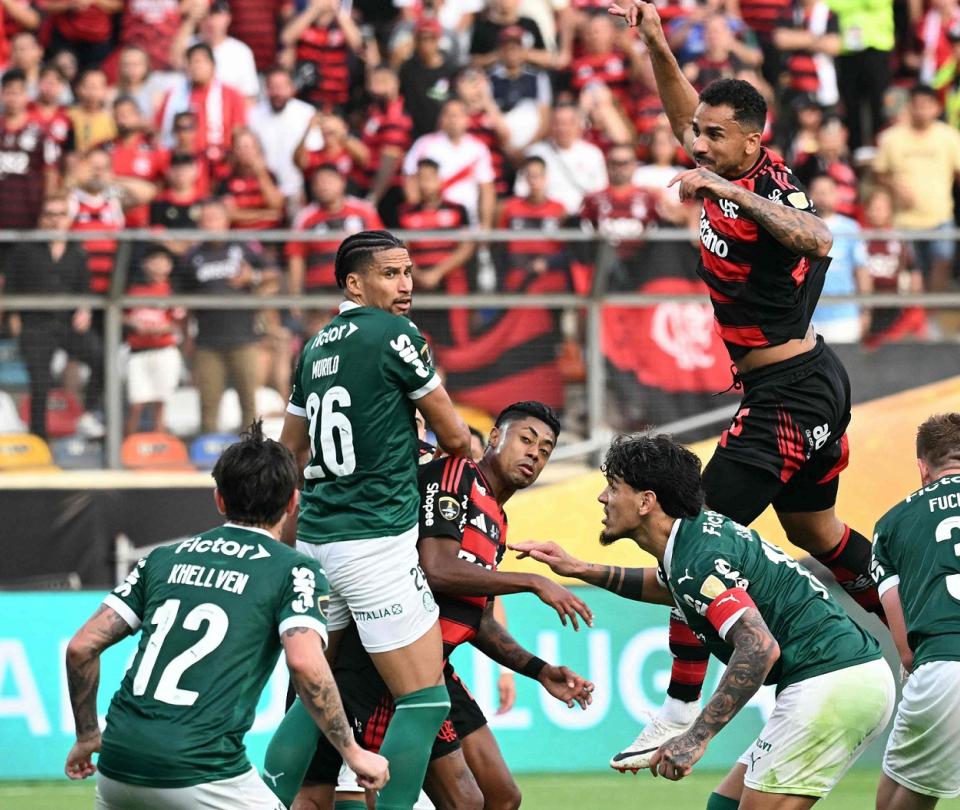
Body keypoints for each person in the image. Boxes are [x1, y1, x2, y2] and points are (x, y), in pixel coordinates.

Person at [607, 0, 885, 771]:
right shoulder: (715, 156)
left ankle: (675, 708)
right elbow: (681, 111)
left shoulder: (770, 186)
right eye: (699, 132)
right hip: (801, 384)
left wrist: (733, 196)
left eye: (714, 135)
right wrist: (658, 43)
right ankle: (914, 622)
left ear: (753, 143)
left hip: (789, 393)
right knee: (815, 535)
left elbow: (817, 236)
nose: (697, 142)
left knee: (693, 533)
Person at [514, 433, 894, 809]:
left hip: (831, 683)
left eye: (613, 487)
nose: (603, 497)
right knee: (722, 805)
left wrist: (696, 737)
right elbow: (669, 587)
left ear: (646, 501)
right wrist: (580, 568)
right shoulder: (692, 539)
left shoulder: (697, 560)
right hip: (843, 678)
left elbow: (759, 648)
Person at [63, 421, 390, 808]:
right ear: (292, 502)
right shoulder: (294, 570)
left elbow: (81, 647)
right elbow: (304, 663)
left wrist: (87, 736)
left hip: (117, 765)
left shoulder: (162, 559)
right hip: (202, 773)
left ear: (219, 499)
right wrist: (353, 752)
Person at [290, 402, 594, 810]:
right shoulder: (454, 474)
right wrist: (534, 581)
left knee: (502, 795)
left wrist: (540, 671)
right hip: (390, 662)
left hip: (435, 667)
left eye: (545, 449)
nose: (534, 454)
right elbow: (436, 569)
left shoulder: (498, 521)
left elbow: (479, 619)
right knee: (449, 800)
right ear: (494, 438)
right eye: (526, 439)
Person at [267, 230, 472, 810]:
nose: (405, 285)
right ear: (354, 283)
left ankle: (268, 801)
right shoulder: (396, 334)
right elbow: (455, 435)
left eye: (408, 272)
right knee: (425, 701)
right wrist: (463, 459)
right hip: (376, 545)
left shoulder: (311, 348)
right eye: (390, 274)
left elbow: (289, 454)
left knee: (313, 694)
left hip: (315, 544)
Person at [871, 412, 960, 810]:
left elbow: (905, 647)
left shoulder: (892, 523)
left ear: (923, 466)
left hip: (944, 666)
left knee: (895, 801)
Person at [4, 194, 104, 440]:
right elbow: (11, 285)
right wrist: (14, 317)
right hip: (35, 325)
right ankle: (39, 439)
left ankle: (88, 414)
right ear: (41, 218)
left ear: (68, 219)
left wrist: (85, 310)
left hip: (68, 324)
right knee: (40, 384)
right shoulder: (25, 249)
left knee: (101, 359)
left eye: (60, 214)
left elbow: (85, 289)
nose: (55, 220)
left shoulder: (77, 251)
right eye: (50, 214)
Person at [178, 198, 277, 434]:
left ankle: (251, 455)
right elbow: (183, 302)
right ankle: (208, 455)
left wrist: (251, 278)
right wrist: (186, 337)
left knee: (249, 403)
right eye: (205, 220)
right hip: (207, 340)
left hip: (244, 337)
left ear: (226, 221)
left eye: (214, 218)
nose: (210, 224)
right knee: (208, 403)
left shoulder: (243, 247)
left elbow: (274, 275)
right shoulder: (192, 256)